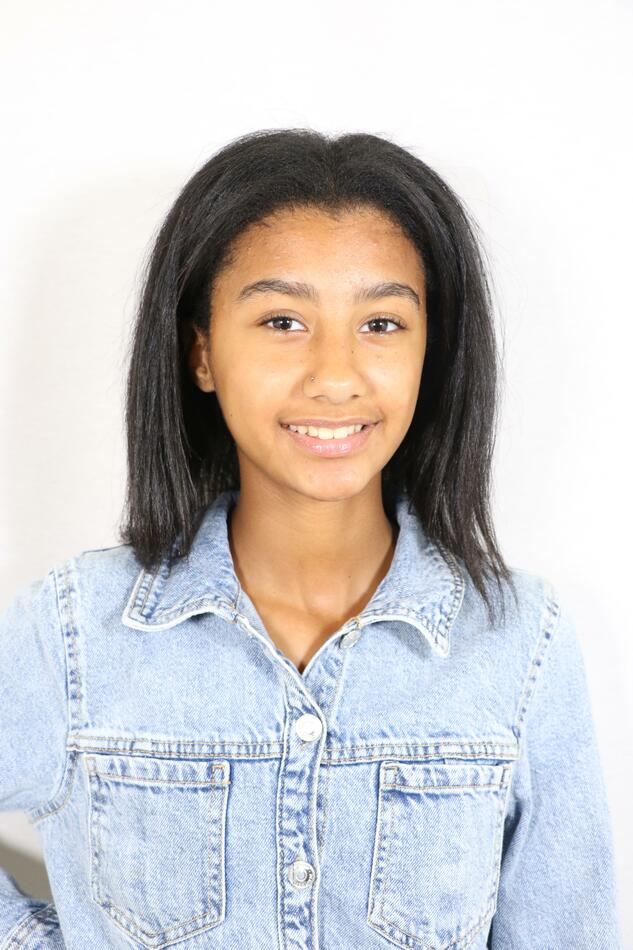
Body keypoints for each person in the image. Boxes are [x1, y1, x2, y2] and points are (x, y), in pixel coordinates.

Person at [0, 129, 621, 948]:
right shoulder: (73, 631)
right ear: (201, 353)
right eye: (283, 320)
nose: (334, 375)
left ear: (431, 354)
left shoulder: (520, 642)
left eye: (382, 323)